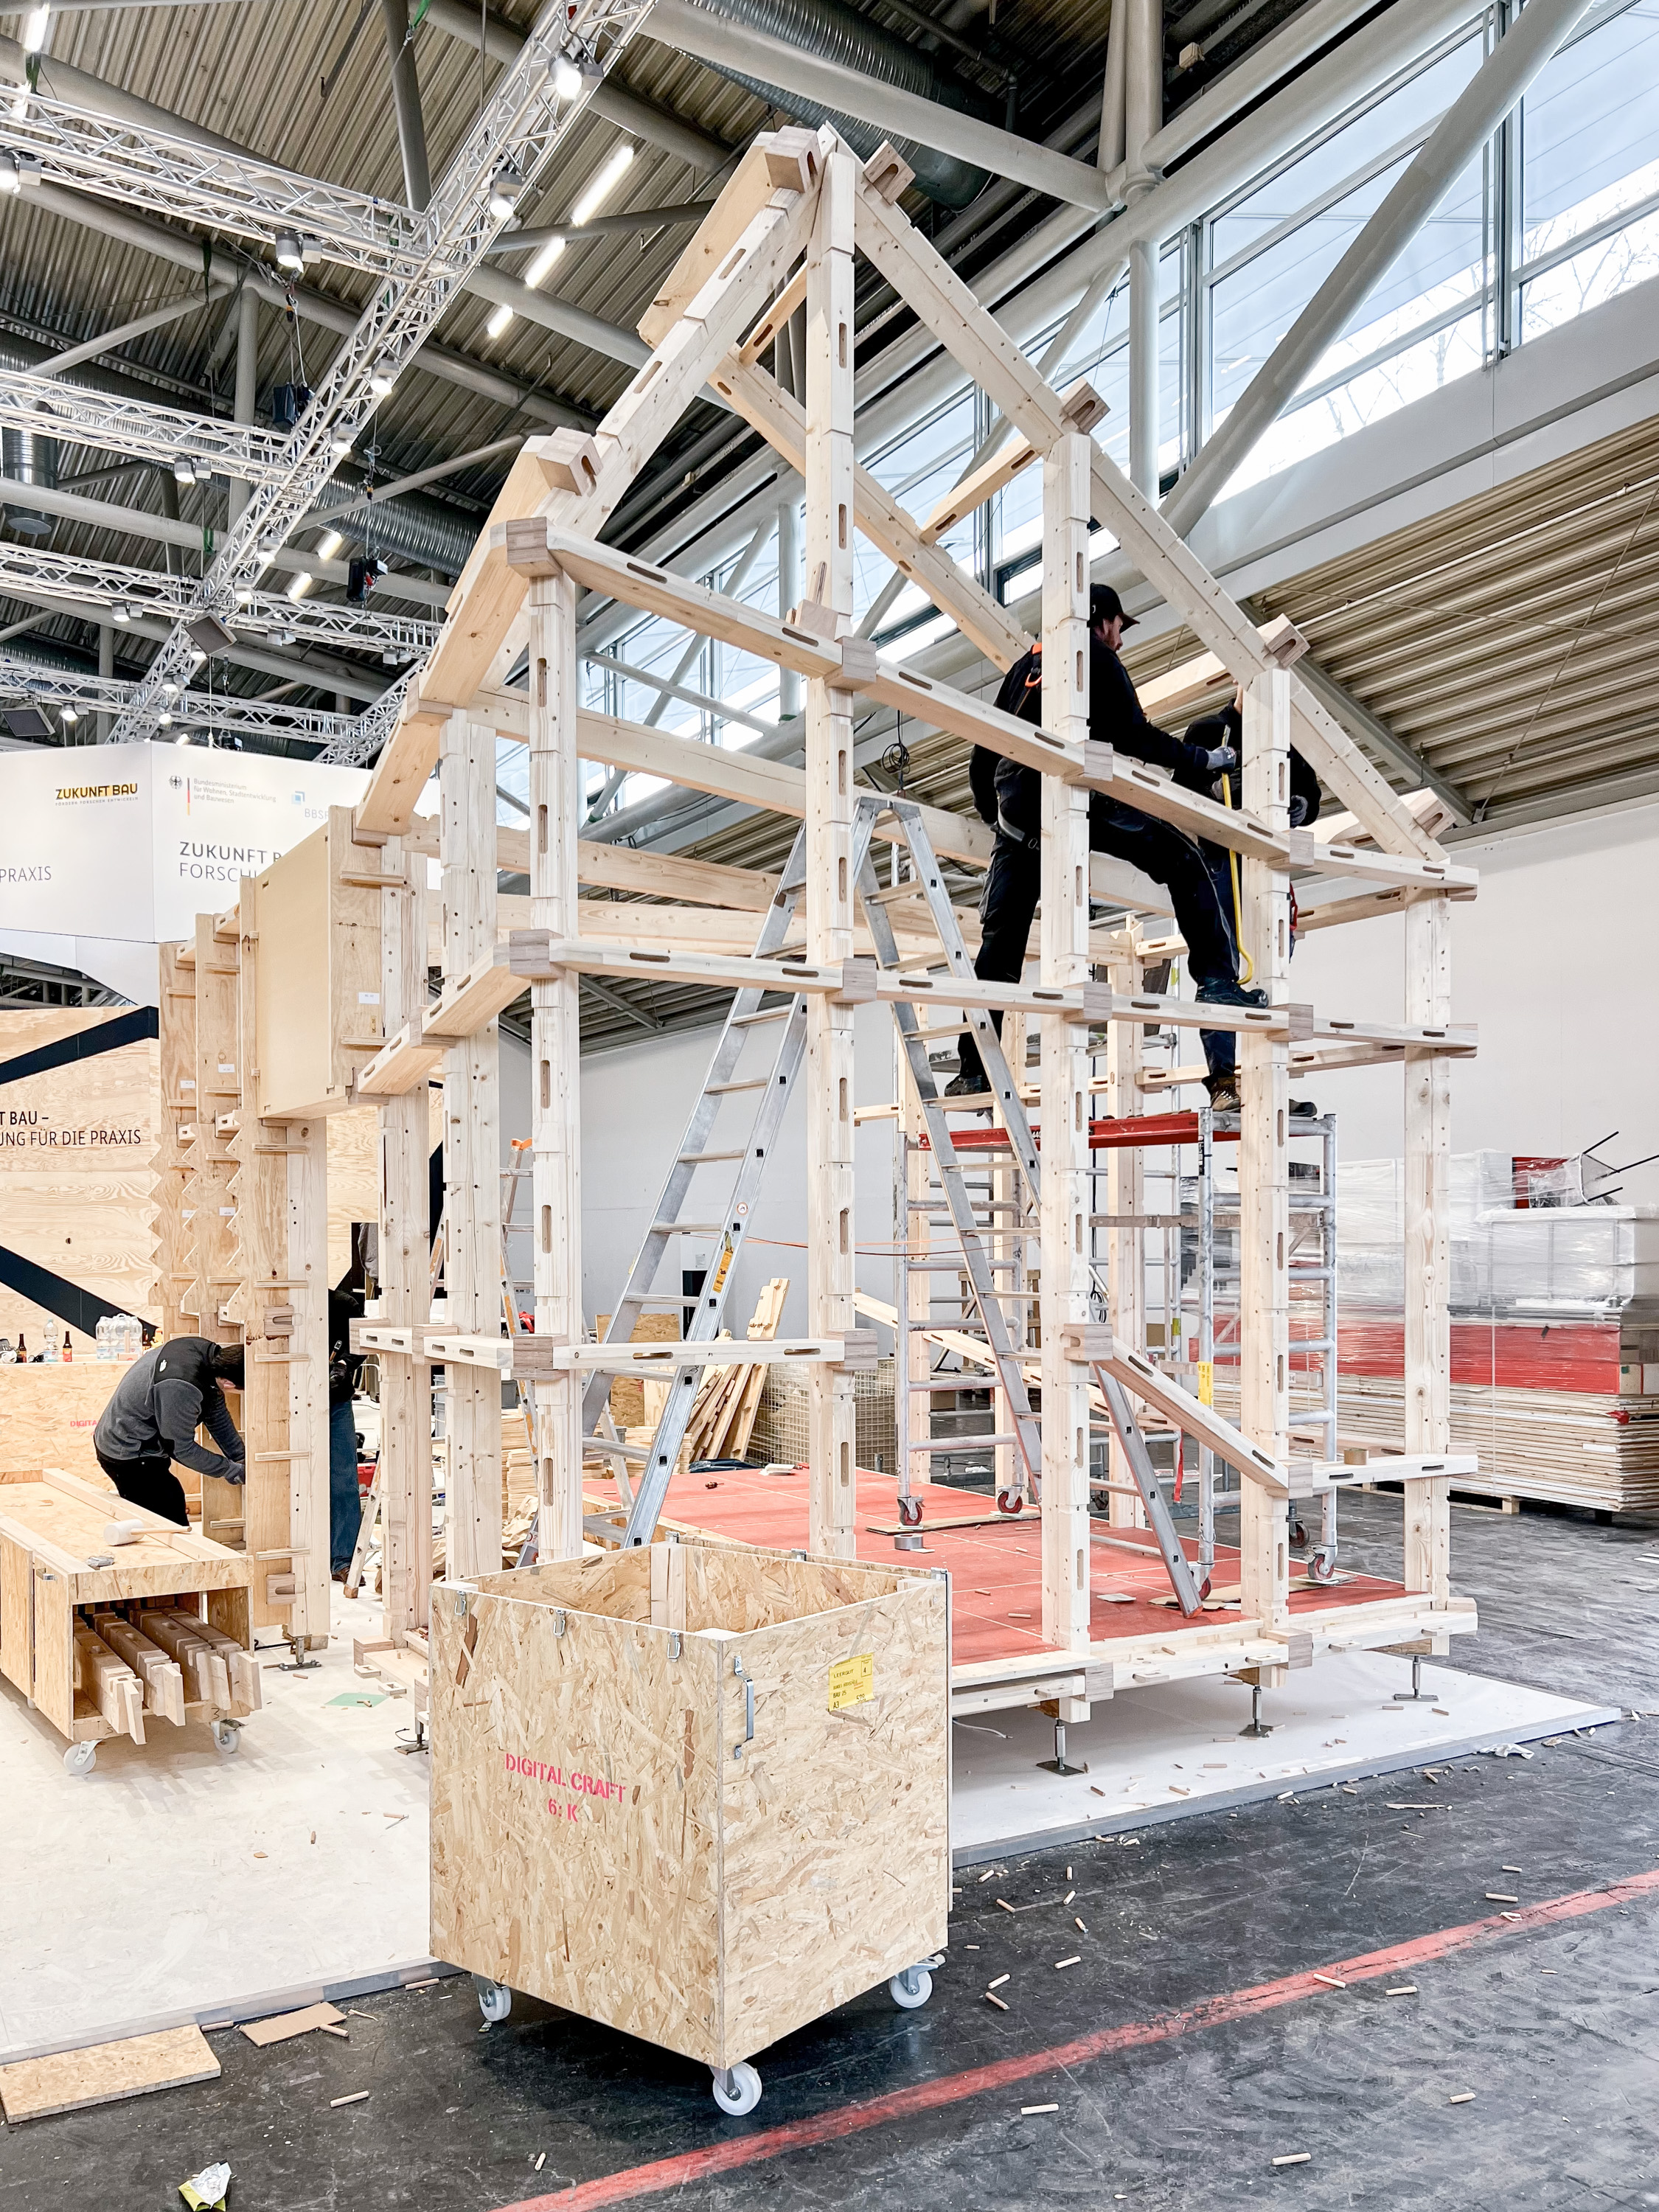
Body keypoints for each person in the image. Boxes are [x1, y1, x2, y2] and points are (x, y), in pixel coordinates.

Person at [951, 585, 1262, 1111]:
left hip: (1018, 826)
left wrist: (995, 818)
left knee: (999, 952)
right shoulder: (1094, 655)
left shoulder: (1025, 667)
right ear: (1101, 619)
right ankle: (1217, 983)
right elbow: (1136, 737)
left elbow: (985, 753)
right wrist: (1204, 760)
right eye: (1119, 628)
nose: (1120, 640)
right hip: (1074, 802)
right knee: (1183, 862)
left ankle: (973, 1071)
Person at [93, 1335, 245, 1528]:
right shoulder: (181, 1386)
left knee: (170, 1500)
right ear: (229, 1384)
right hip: (125, 1451)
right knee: (167, 1518)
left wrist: (241, 1457)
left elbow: (215, 1413)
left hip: (133, 1436)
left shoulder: (203, 1351)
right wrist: (230, 1470)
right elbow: (181, 1449)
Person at [328, 1271, 367, 1580]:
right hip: (288, 1403)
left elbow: (360, 1343)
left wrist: (344, 1365)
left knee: (343, 1480)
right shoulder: (282, 1303)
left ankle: (343, 1559)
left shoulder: (343, 1305)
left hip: (335, 1402)